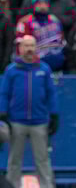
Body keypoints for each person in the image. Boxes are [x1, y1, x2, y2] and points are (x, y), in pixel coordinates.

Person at [0, 35, 58, 188]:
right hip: (16, 121)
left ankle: (47, 186)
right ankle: (11, 185)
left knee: (43, 159)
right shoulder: (11, 70)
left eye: (32, 45)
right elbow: (4, 93)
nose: (29, 49)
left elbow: (51, 93)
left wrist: (54, 114)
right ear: (20, 48)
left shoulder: (44, 69)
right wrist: (3, 113)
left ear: (36, 48)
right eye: (26, 46)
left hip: (39, 121)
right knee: (14, 159)